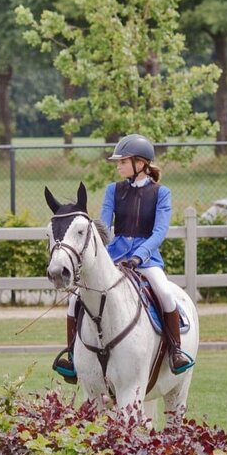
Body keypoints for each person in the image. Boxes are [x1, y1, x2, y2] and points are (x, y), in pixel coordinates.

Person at [53, 134, 194, 381]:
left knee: (165, 293)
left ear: (141, 163)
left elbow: (159, 232)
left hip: (146, 258)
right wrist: (100, 254)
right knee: (75, 299)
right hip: (114, 255)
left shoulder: (161, 193)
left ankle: (175, 351)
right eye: (118, 163)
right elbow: (104, 226)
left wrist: (139, 257)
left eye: (123, 162)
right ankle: (72, 355)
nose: (118, 166)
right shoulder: (113, 190)